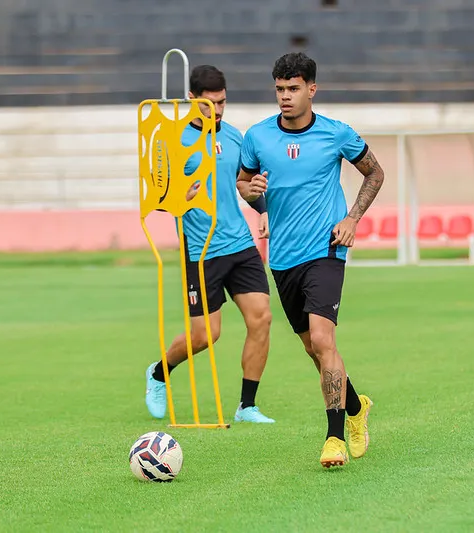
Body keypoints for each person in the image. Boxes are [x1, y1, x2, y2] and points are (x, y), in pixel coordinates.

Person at [236, 52, 385, 467]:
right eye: (280, 89)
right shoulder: (258, 136)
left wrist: (352, 219)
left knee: (323, 340)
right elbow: (244, 183)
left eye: (294, 88)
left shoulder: (337, 134)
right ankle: (356, 406)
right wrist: (254, 196)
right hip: (282, 258)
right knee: (313, 350)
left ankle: (334, 437)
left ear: (312, 89)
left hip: (326, 248)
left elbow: (375, 173)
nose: (285, 96)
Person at [145, 65, 275, 424]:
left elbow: (242, 183)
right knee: (205, 335)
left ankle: (247, 405)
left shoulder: (234, 137)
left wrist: (259, 205)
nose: (216, 111)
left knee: (261, 318)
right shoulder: (173, 139)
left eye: (222, 102)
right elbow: (158, 197)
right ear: (191, 100)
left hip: (240, 244)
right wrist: (177, 196)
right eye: (208, 104)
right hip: (201, 249)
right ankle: (158, 373)